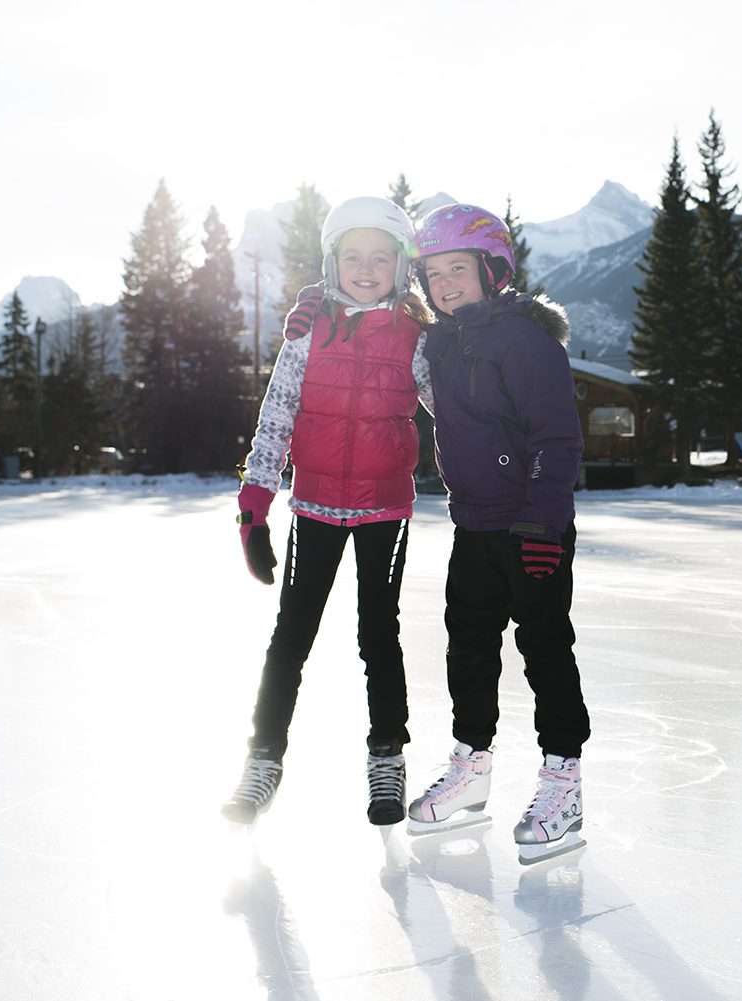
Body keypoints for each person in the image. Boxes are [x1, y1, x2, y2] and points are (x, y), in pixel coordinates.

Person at [224, 196, 433, 827]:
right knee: (292, 635)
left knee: (379, 636)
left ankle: (387, 759)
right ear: (331, 262)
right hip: (313, 503)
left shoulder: (416, 337)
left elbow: (451, 411)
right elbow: (277, 414)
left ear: (399, 266)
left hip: (384, 510)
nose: (364, 269)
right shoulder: (308, 330)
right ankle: (262, 759)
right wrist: (254, 507)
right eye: (352, 257)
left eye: (378, 258)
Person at [402, 203, 590, 865]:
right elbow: (400, 357)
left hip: (532, 525)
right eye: (433, 273)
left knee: (545, 648)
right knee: (469, 649)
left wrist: (544, 520)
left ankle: (562, 782)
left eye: (457, 268)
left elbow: (557, 438)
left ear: (491, 269)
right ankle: (472, 769)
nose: (445, 283)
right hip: (475, 521)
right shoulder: (442, 342)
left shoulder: (524, 340)